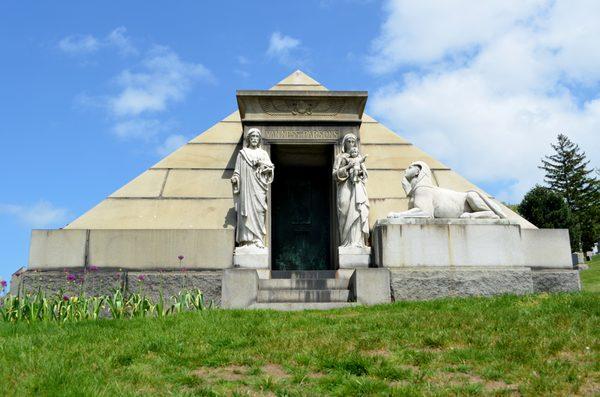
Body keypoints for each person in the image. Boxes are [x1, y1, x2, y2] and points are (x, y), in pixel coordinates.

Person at [231, 128, 274, 248]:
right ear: (249, 139)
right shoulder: (242, 153)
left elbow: (270, 168)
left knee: (260, 210)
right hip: (246, 187)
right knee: (247, 212)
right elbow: (237, 171)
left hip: (259, 186)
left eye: (256, 137)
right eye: (252, 137)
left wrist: (264, 167)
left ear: (259, 139)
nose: (254, 139)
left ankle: (258, 238)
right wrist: (235, 178)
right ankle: (247, 240)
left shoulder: (263, 153)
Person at [332, 133, 370, 247]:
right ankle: (345, 242)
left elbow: (365, 174)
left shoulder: (359, 158)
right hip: (344, 186)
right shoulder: (340, 157)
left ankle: (356, 242)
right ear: (344, 143)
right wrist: (348, 168)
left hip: (357, 186)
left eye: (353, 141)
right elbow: (334, 174)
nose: (351, 143)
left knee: (357, 210)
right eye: (349, 141)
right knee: (344, 211)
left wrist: (361, 173)